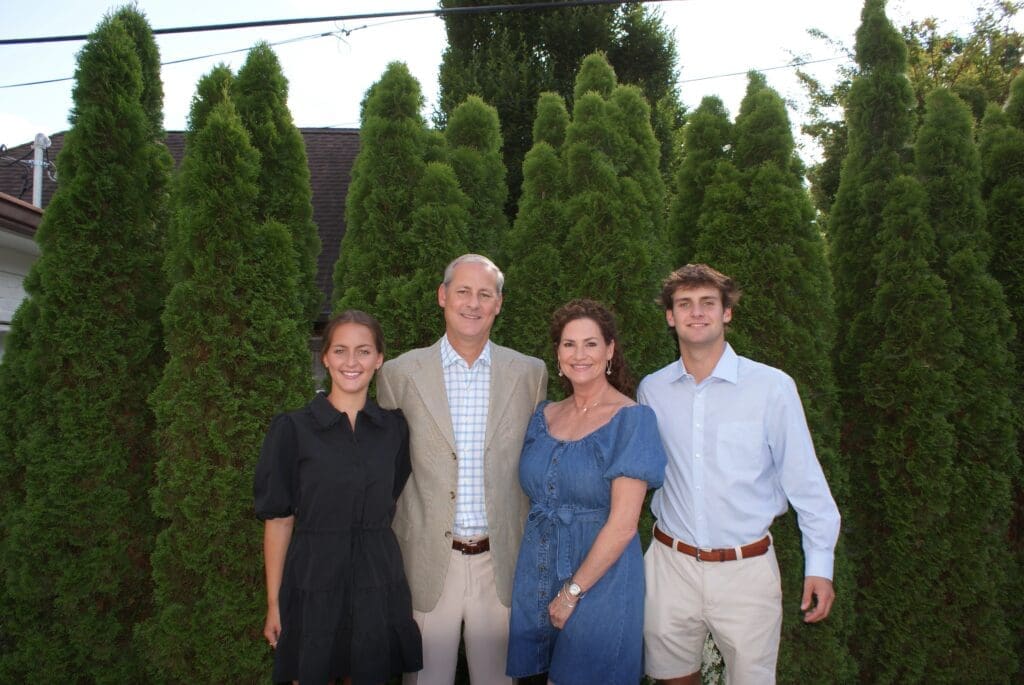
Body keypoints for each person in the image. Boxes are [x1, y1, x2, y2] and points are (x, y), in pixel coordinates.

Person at [638, 264, 841, 684]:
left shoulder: (772, 387)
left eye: (708, 303)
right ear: (669, 316)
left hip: (746, 571)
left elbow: (806, 482)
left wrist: (820, 565)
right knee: (672, 677)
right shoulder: (652, 390)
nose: (697, 312)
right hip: (670, 566)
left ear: (726, 312)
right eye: (685, 304)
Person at [376, 254, 548, 685]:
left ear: (498, 304)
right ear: (442, 296)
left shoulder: (530, 373)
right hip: (428, 563)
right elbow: (385, 474)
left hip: (500, 560)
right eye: (463, 291)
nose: (473, 303)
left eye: (485, 294)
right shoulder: (399, 374)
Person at [254, 310, 422, 685]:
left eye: (363, 351)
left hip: (376, 579)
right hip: (313, 578)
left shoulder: (393, 429)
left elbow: (390, 493)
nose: (351, 362)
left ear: (379, 359)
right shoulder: (292, 429)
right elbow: (279, 519)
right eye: (340, 350)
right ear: (325, 357)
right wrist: (273, 603)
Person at [507, 299, 667, 685]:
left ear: (610, 350)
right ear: (558, 355)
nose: (580, 355)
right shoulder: (542, 416)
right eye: (569, 344)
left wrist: (572, 592)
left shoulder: (632, 420)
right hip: (537, 572)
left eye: (591, 344)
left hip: (601, 582)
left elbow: (624, 524)